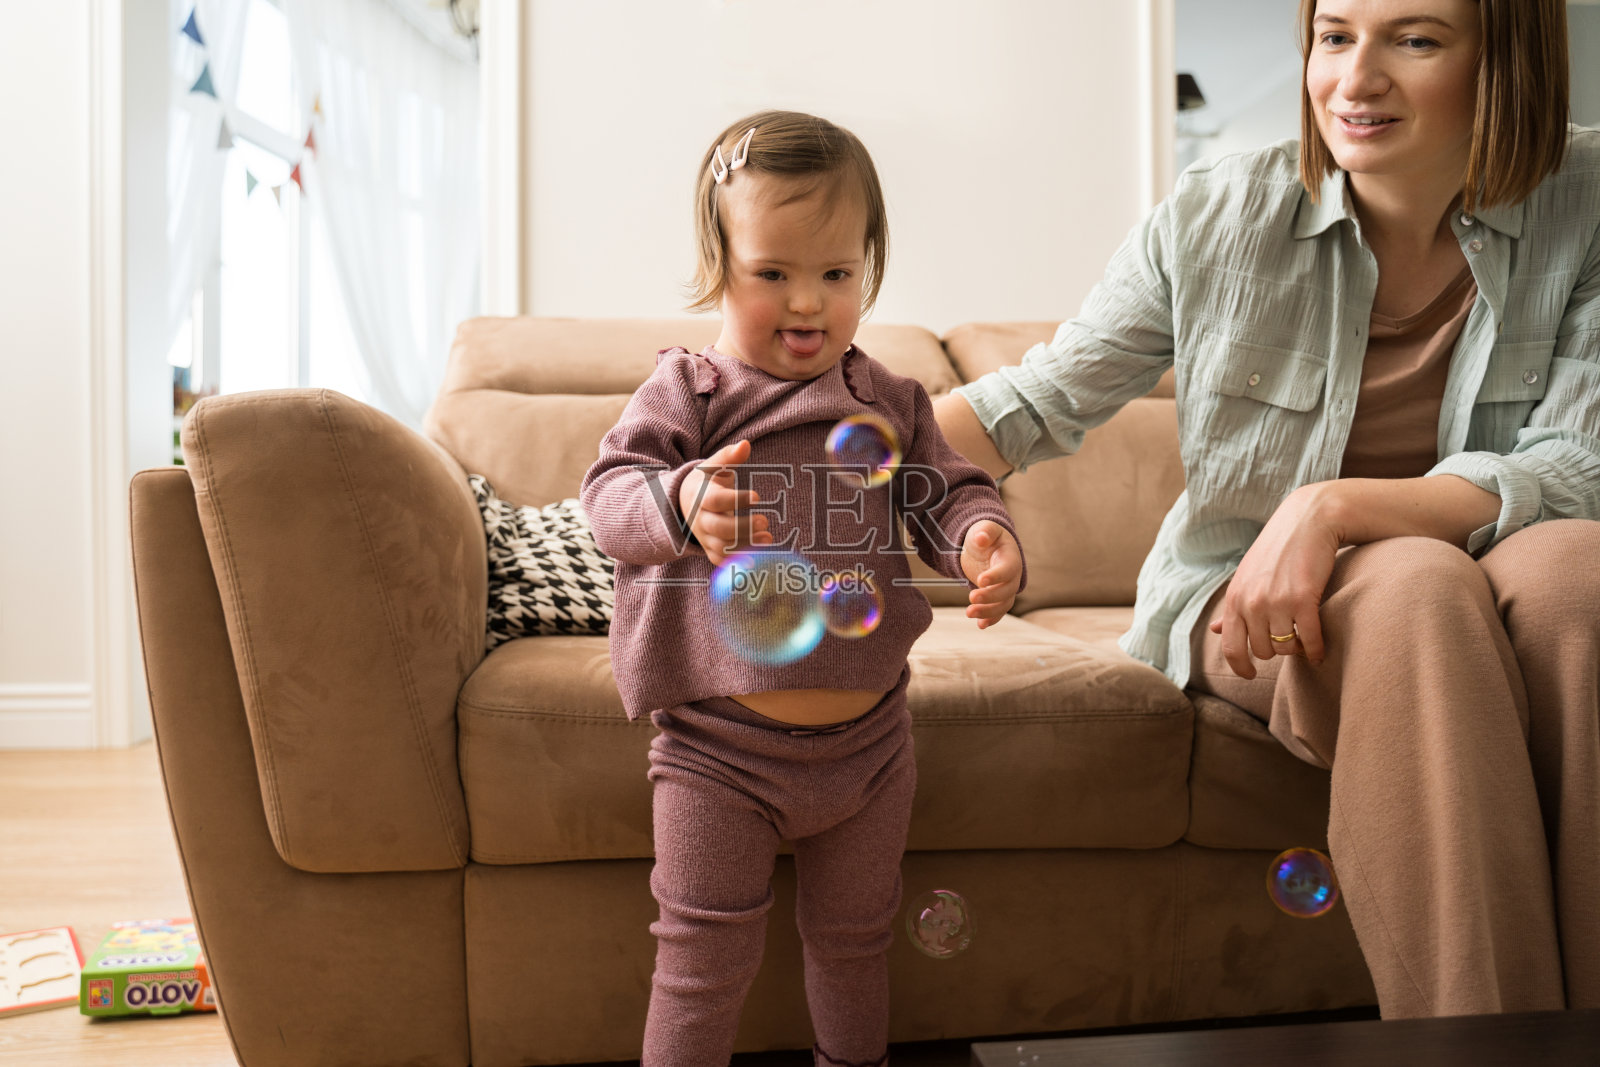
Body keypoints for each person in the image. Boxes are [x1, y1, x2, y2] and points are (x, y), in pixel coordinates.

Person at [936, 0, 1599, 1020]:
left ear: (1504, 59)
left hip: (1501, 560)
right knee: (1421, 585)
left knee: (1578, 577)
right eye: (1334, 36)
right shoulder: (1218, 215)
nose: (1354, 79)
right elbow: (1032, 402)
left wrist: (1333, 505)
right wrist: (797, 456)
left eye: (1412, 39)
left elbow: (1579, 462)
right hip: (1259, 596)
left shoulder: (1590, 197)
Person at [580, 110, 1025, 1067]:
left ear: (868, 267)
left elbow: (946, 492)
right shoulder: (690, 392)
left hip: (870, 752)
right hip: (716, 752)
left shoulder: (891, 402)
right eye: (772, 272)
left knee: (857, 946)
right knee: (701, 955)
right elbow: (608, 496)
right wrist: (684, 494)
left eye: (837, 273)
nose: (808, 302)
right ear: (718, 260)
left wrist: (983, 537)